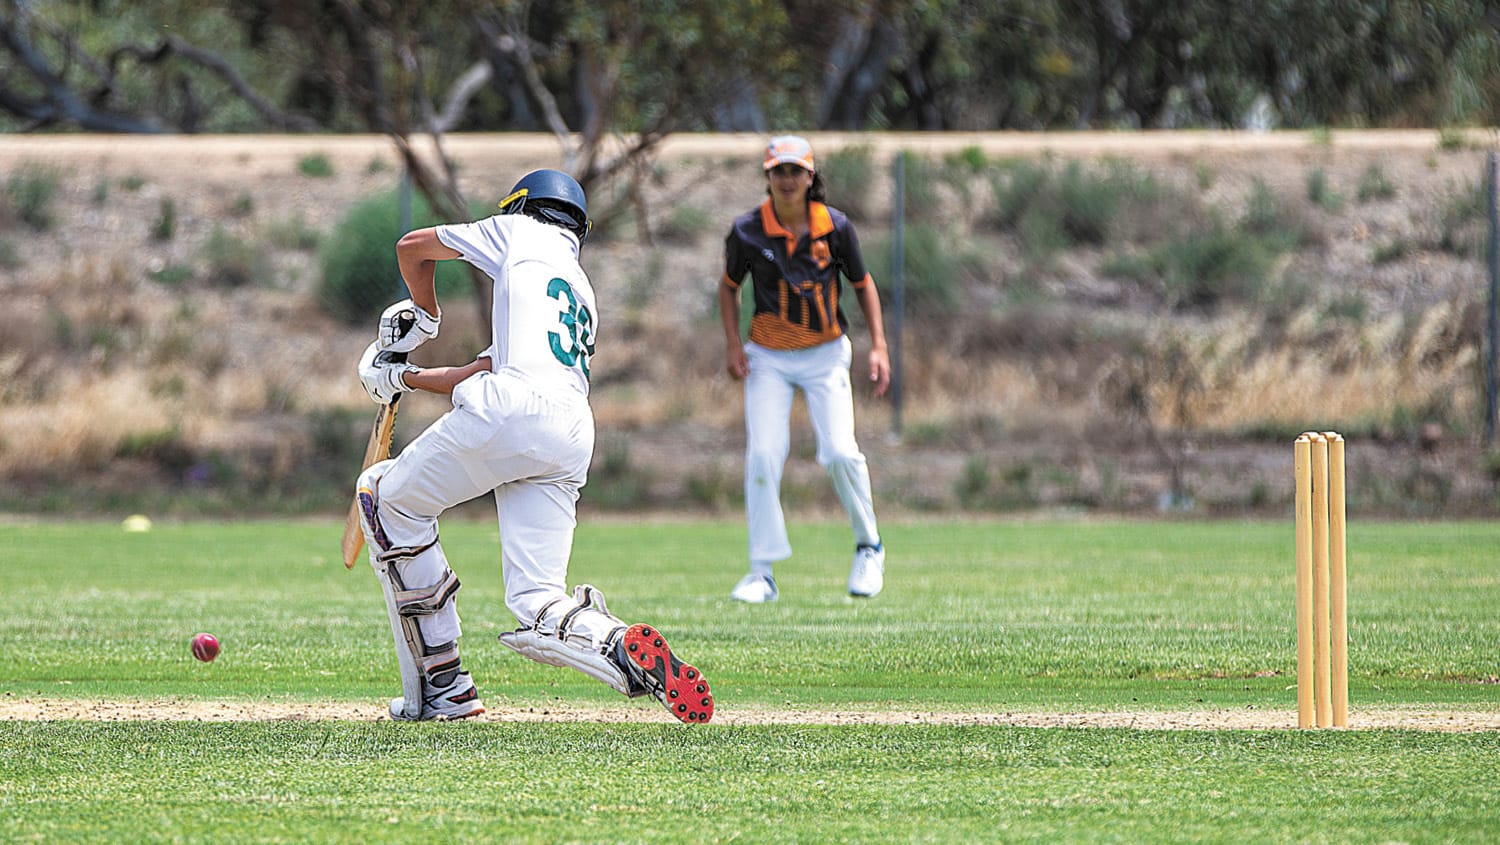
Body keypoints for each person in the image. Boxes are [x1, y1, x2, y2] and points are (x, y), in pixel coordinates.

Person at [354, 169, 713, 723]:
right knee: (537, 597)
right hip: (570, 434)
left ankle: (443, 686)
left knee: (386, 499)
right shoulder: (578, 288)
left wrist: (425, 318)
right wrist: (402, 377)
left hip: (511, 410)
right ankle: (614, 641)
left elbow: (412, 248)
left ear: (520, 205)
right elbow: (478, 369)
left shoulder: (517, 231)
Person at [718, 135, 890, 604]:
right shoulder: (747, 230)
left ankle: (869, 546)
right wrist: (733, 344)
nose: (788, 179)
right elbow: (729, 287)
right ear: (768, 176)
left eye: (796, 171)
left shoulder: (835, 226)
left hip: (825, 353)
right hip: (767, 357)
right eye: (779, 171)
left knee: (839, 452)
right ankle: (762, 573)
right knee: (763, 455)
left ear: (811, 177)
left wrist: (879, 346)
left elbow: (863, 283)